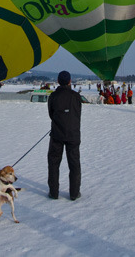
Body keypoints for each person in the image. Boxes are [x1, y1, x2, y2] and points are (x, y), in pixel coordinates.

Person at [47, 70, 81, 201]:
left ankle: (54, 192)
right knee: (74, 164)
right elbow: (77, 113)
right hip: (73, 134)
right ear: (70, 81)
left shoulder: (53, 96)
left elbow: (51, 113)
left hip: (57, 135)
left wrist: (59, 121)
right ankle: (74, 193)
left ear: (57, 81)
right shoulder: (76, 96)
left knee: (53, 163)